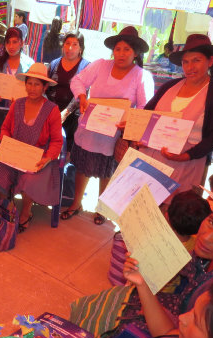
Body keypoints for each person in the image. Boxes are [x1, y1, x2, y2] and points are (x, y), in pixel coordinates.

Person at [70, 188, 213, 338]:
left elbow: (171, 337)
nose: (207, 238)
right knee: (92, 304)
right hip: (166, 306)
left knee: (94, 329)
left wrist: (143, 285)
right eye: (212, 222)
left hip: (165, 337)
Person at [61, 26, 154, 224]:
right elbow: (77, 80)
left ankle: (102, 208)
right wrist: (82, 97)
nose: (121, 54)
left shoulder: (141, 76)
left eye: (127, 49)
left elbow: (146, 106)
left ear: (135, 52)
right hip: (90, 128)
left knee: (107, 172)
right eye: (118, 49)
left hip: (114, 134)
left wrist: (131, 122)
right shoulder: (100, 65)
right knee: (82, 167)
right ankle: (76, 203)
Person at [139, 34, 213, 202]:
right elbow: (147, 113)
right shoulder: (169, 86)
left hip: (187, 163)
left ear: (210, 61)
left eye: (196, 60)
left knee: (173, 210)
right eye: (185, 62)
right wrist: (134, 131)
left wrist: (185, 156)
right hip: (151, 157)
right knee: (143, 203)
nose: (190, 67)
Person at [0, 63, 63, 233]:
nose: (32, 88)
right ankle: (6, 207)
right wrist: (7, 143)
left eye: (37, 84)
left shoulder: (52, 110)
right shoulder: (17, 104)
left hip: (38, 157)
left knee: (29, 179)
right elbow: (5, 128)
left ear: (45, 87)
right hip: (15, 153)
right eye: (29, 83)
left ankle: (25, 212)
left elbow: (57, 141)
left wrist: (48, 158)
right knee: (0, 169)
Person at [0, 27, 34, 148]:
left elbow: (33, 89)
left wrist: (23, 100)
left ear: (21, 43)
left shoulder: (29, 64)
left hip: (19, 112)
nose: (11, 46)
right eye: (8, 42)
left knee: (13, 146)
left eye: (15, 42)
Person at [46, 31, 90, 152]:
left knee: (67, 152)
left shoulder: (86, 67)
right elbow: (46, 88)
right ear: (63, 45)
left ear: (81, 48)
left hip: (73, 116)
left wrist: (66, 112)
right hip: (52, 114)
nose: (70, 48)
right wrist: (51, 111)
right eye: (67, 43)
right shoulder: (54, 64)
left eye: (75, 44)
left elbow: (82, 93)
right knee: (49, 147)